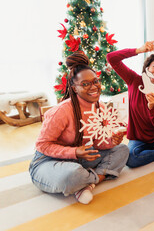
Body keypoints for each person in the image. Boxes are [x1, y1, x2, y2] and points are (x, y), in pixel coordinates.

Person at [29, 51, 129, 205]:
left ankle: (87, 184)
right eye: (85, 84)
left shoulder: (100, 107)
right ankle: (87, 180)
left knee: (122, 150)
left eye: (95, 81)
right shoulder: (61, 111)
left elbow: (97, 143)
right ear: (74, 88)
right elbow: (41, 145)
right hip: (48, 161)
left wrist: (110, 142)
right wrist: (74, 152)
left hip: (79, 159)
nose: (93, 87)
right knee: (74, 174)